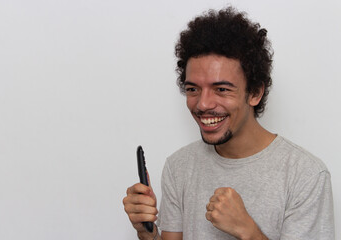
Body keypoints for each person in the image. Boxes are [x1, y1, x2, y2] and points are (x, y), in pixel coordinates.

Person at [123, 7, 335, 240]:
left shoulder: (305, 175)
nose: (202, 104)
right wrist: (145, 231)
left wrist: (248, 231)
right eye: (193, 89)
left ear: (254, 93)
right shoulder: (179, 167)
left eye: (221, 89)